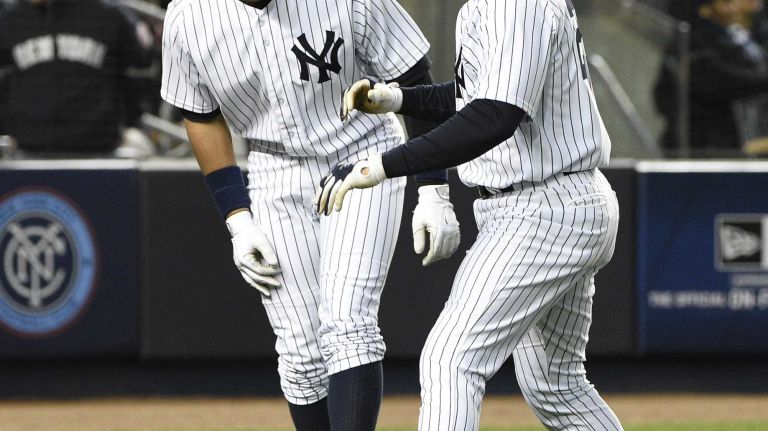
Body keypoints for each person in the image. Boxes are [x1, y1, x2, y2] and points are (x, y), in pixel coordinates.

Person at [315, 0, 624, 429]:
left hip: (545, 210)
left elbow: (495, 116)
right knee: (556, 384)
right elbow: (477, 95)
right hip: (554, 202)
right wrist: (399, 98)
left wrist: (381, 166)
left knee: (451, 360)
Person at [160, 0, 460, 430]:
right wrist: (238, 219)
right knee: (300, 354)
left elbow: (412, 75)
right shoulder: (188, 15)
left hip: (361, 152)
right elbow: (200, 115)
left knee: (347, 324)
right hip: (273, 167)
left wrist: (432, 188)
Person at [0, 0, 155, 158]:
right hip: (29, 150)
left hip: (98, 151)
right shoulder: (11, 19)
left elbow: (138, 72)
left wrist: (131, 122)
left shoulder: (110, 15)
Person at [654, 0, 768, 156]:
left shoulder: (737, 38)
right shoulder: (694, 42)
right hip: (702, 146)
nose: (733, 6)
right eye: (726, 2)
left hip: (731, 142)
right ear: (704, 8)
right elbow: (727, 80)